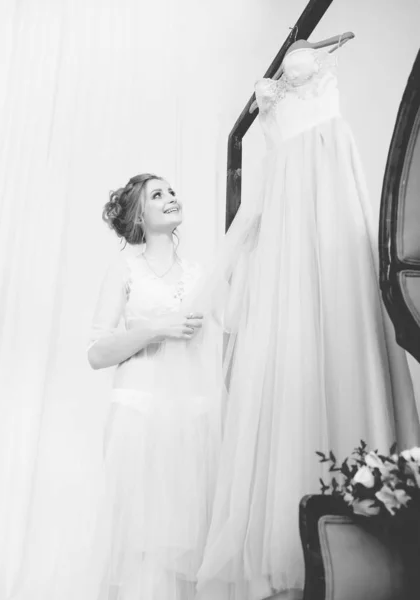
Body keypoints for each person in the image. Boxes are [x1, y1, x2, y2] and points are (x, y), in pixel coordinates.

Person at [195, 43, 420, 600]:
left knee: (342, 326)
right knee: (302, 349)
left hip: (327, 200)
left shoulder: (305, 83)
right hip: (294, 218)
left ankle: (363, 527)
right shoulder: (285, 99)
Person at [87, 173, 222, 600]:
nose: (171, 198)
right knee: (138, 539)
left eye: (173, 192)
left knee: (189, 536)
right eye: (157, 195)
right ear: (138, 215)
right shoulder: (125, 269)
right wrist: (156, 329)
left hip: (192, 417)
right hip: (137, 413)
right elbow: (96, 353)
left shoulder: (202, 273)